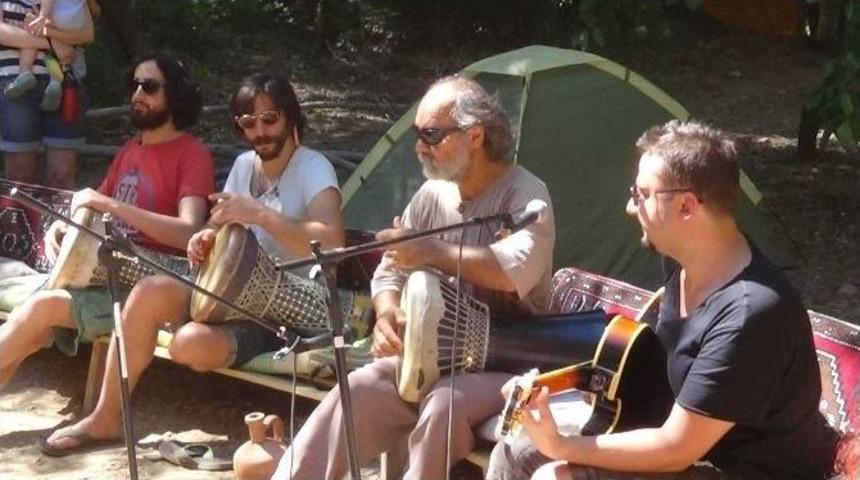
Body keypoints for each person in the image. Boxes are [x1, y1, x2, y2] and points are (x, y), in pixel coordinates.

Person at [487, 120, 838, 480]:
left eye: (641, 194)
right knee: (515, 450)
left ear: (687, 206)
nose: (629, 206)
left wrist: (561, 446)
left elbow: (675, 449)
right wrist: (555, 386)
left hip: (739, 470)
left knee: (552, 476)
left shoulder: (750, 314)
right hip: (684, 444)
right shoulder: (680, 260)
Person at [38, 73, 348, 456]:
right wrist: (206, 237)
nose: (260, 131)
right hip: (229, 291)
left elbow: (332, 240)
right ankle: (105, 418)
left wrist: (261, 216)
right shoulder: (243, 165)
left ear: (290, 118)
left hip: (284, 309)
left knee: (189, 346)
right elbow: (219, 225)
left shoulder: (312, 167)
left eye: (270, 119)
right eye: (249, 123)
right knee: (149, 290)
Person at [272, 75, 556, 480]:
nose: (419, 146)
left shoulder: (526, 194)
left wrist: (429, 252)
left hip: (511, 361)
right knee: (361, 388)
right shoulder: (433, 193)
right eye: (417, 133)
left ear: (475, 136)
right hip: (430, 357)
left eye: (432, 134)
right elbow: (391, 268)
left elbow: (513, 272)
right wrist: (387, 314)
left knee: (443, 404)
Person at [0, 52, 213, 393]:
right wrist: (64, 224)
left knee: (38, 312)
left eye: (150, 86)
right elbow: (91, 207)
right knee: (31, 328)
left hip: (144, 288)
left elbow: (188, 231)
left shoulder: (192, 154)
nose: (137, 94)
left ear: (174, 96)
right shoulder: (131, 148)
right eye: (134, 85)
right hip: (100, 275)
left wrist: (113, 206)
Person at [0, 0, 94, 189]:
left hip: (65, 82)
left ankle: (57, 219)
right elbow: (2, 33)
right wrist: (53, 43)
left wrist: (48, 35)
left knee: (62, 175)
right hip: (15, 84)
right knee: (19, 178)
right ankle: (20, 219)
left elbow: (86, 33)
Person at [5, 0, 91, 111]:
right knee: (60, 59)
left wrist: (41, 20)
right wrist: (53, 41)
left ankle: (25, 71)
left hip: (51, 22)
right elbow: (88, 35)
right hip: (70, 28)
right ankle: (55, 82)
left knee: (30, 41)